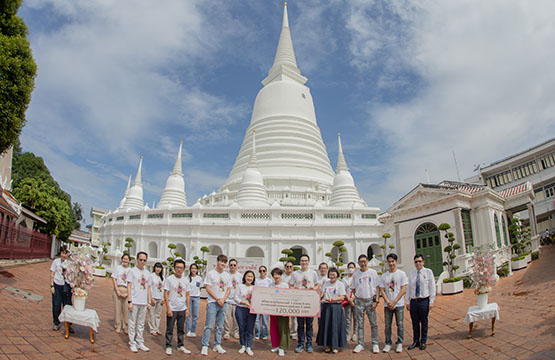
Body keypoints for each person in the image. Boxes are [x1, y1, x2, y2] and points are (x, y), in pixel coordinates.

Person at [201, 254, 231, 356]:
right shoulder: (211, 274)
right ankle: (205, 345)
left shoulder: (227, 275)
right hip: (212, 302)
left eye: (224, 262)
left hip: (223, 303)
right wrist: (217, 298)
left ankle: (217, 344)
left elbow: (228, 289)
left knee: (219, 326)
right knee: (208, 325)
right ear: (217, 261)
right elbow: (208, 288)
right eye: (221, 261)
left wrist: (223, 299)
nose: (222, 264)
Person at [289, 254, 319, 353]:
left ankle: (309, 344)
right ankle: (300, 343)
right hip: (299, 302)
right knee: (300, 324)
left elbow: (317, 283)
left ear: (308, 262)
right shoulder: (295, 273)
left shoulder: (313, 273)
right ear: (299, 262)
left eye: (306, 261)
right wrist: (294, 290)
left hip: (309, 302)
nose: (304, 262)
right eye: (302, 260)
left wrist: (314, 289)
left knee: (310, 324)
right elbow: (291, 285)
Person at [351, 254, 380, 354]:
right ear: (358, 263)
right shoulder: (356, 274)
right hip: (359, 301)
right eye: (361, 262)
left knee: (373, 323)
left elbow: (377, 287)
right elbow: (353, 288)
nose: (363, 263)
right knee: (360, 323)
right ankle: (360, 343)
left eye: (364, 261)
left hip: (370, 301)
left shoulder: (373, 272)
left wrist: (376, 301)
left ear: (367, 261)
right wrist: (358, 297)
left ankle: (375, 343)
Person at [378, 253, 407, 353]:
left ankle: (399, 342)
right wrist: (388, 302)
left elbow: (403, 289)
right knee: (387, 325)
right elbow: (382, 290)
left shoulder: (401, 274)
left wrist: (394, 301)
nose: (391, 263)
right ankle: (388, 343)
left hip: (398, 304)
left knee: (400, 324)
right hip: (388, 305)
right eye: (389, 261)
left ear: (396, 262)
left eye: (393, 261)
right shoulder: (384, 276)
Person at [406, 254, 436, 351]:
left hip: (424, 300)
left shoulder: (428, 272)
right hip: (414, 301)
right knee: (415, 323)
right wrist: (407, 301)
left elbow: (432, 287)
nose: (418, 263)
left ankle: (423, 341)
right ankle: (415, 341)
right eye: (416, 262)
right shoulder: (411, 273)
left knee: (424, 322)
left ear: (423, 262)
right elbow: (409, 288)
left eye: (419, 261)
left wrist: (431, 301)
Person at [164, 259, 191, 355]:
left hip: (182, 308)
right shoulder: (169, 279)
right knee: (170, 328)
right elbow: (166, 294)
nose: (179, 270)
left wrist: (187, 308)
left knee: (181, 329)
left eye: (181, 268)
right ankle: (168, 345)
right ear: (174, 268)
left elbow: (187, 295)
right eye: (177, 267)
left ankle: (180, 345)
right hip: (172, 308)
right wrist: (168, 308)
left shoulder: (186, 280)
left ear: (184, 269)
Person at [316, 268, 347, 354]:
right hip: (326, 307)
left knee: (335, 326)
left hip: (336, 307)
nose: (332, 276)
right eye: (330, 274)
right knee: (327, 326)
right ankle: (327, 345)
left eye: (333, 274)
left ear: (337, 275)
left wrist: (332, 300)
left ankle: (335, 346)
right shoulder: (326, 283)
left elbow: (342, 297)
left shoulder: (340, 284)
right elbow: (322, 293)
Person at [127, 251, 152, 352]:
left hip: (143, 301)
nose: (142, 262)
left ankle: (140, 341)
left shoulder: (147, 273)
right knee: (132, 322)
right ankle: (132, 342)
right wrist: (130, 301)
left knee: (141, 323)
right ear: (137, 260)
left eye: (144, 260)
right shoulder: (132, 271)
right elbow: (129, 286)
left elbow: (149, 288)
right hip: (134, 300)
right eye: (140, 260)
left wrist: (149, 301)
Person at [234, 270, 257, 356]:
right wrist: (244, 303)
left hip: (251, 310)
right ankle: (243, 345)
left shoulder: (255, 288)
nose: (249, 278)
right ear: (244, 277)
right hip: (240, 309)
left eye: (251, 277)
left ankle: (249, 346)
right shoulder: (240, 286)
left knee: (250, 328)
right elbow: (235, 298)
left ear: (253, 278)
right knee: (242, 327)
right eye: (248, 276)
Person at [269, 268, 290, 357]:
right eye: (275, 274)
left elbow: (288, 297)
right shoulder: (270, 285)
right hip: (273, 310)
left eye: (278, 274)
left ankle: (282, 347)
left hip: (282, 310)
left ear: (281, 275)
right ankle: (276, 345)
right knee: (274, 327)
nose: (276, 276)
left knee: (283, 328)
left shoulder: (285, 285)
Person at [50, 246, 70, 331]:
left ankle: (68, 324)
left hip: (66, 286)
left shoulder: (69, 263)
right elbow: (52, 273)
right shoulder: (56, 262)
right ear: (60, 253)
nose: (64, 255)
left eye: (65, 253)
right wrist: (52, 286)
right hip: (57, 285)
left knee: (67, 305)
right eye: (62, 253)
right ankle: (56, 322)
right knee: (56, 304)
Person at [111, 253, 131, 334]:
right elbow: (114, 279)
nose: (125, 260)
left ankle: (126, 326)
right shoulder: (118, 268)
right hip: (118, 288)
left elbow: (132, 283)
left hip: (127, 290)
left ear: (129, 261)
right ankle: (118, 325)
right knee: (117, 308)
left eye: (127, 259)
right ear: (122, 259)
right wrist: (117, 290)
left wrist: (127, 293)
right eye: (124, 259)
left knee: (126, 310)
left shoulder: (131, 270)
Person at [224, 258, 242, 340]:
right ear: (229, 266)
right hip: (227, 300)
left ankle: (236, 332)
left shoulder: (240, 276)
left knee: (236, 318)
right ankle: (226, 332)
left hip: (236, 301)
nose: (233, 266)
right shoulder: (225, 275)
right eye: (231, 265)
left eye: (234, 265)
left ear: (237, 266)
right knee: (226, 318)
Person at [254, 265, 272, 340]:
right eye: (260, 271)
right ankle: (257, 334)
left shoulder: (269, 281)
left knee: (265, 320)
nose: (262, 272)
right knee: (256, 320)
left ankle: (264, 334)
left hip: (265, 302)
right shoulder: (256, 280)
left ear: (266, 272)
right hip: (257, 302)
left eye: (263, 271)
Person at [186, 263, 203, 337]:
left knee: (195, 315)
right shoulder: (187, 278)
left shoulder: (199, 278)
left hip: (196, 297)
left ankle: (193, 330)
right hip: (189, 297)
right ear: (190, 269)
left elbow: (200, 287)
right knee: (188, 314)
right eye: (192, 268)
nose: (193, 270)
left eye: (195, 268)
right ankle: (188, 330)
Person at [281, 261, 297, 340]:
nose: (289, 268)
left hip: (294, 299)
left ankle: (293, 333)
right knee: (284, 317)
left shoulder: (295, 275)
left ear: (293, 267)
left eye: (290, 266)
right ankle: (285, 332)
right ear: (285, 268)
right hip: (284, 299)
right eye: (287, 266)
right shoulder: (282, 277)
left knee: (294, 318)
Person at [342, 261, 358, 342]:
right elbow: (343, 290)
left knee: (356, 317)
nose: (351, 269)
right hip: (347, 300)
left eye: (352, 267)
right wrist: (349, 299)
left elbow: (359, 290)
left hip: (356, 300)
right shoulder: (344, 279)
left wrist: (353, 299)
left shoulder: (357, 278)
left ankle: (355, 333)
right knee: (347, 318)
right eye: (350, 267)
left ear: (355, 268)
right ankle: (348, 333)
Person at [148, 262, 165, 336]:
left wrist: (163, 298)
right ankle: (152, 329)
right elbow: (149, 288)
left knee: (158, 315)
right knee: (152, 314)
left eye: (159, 267)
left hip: (160, 298)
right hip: (153, 297)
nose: (158, 269)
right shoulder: (151, 276)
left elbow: (165, 288)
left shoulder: (163, 278)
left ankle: (157, 328)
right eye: (157, 267)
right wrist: (150, 298)